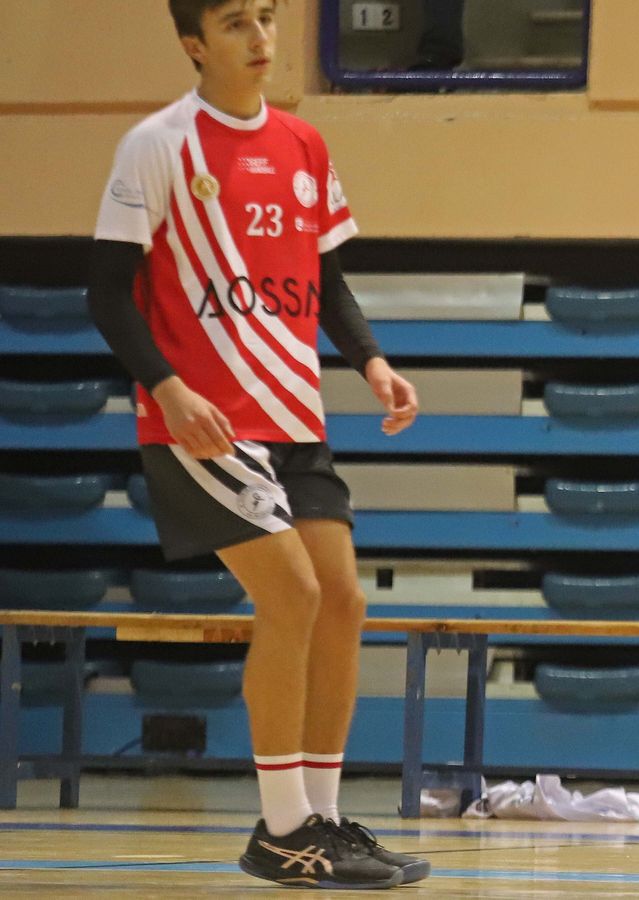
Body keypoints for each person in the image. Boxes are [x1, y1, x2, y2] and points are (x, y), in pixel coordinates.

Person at [90, 0, 425, 888]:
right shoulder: (156, 146)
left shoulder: (305, 146)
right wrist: (168, 386)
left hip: (296, 418)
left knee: (344, 603)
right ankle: (281, 830)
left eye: (268, 16)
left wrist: (373, 362)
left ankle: (321, 818)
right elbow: (108, 294)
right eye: (236, 20)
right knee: (294, 596)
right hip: (204, 423)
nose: (261, 36)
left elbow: (327, 278)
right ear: (194, 42)